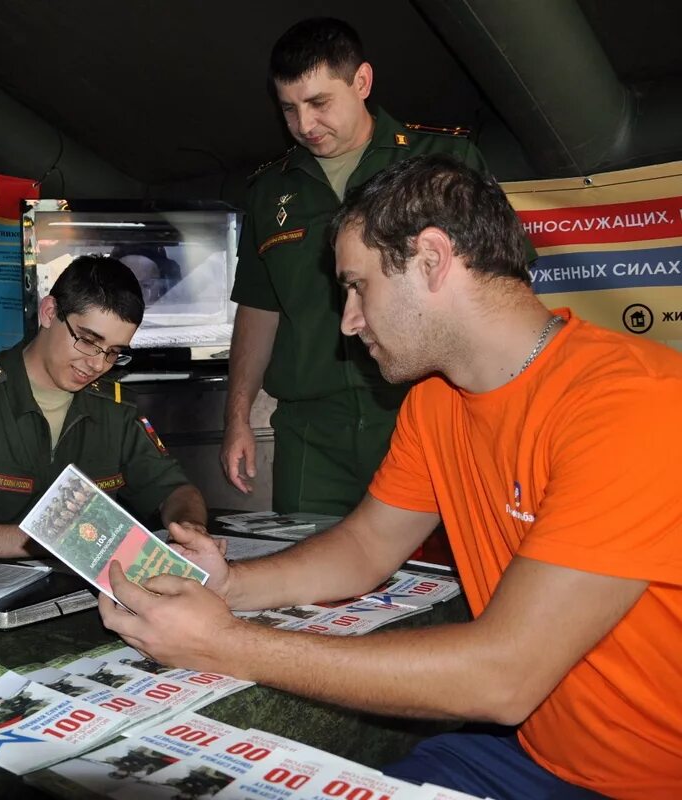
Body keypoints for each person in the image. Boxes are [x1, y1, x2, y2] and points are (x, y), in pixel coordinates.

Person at [100, 156, 682, 799]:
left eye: (357, 287)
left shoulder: (637, 404)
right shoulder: (437, 402)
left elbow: (504, 677)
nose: (348, 321)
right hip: (536, 757)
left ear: (432, 260)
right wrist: (230, 585)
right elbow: (365, 548)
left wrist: (224, 644)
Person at [222, 17, 494, 515]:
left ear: (362, 82)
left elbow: (501, 288)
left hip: (422, 408)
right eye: (289, 108)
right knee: (305, 572)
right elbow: (259, 311)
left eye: (319, 103)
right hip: (312, 428)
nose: (305, 125)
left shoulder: (445, 163)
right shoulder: (268, 192)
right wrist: (237, 416)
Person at [0, 254, 207, 558]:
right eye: (87, 340)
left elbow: (175, 491)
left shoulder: (118, 411)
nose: (97, 364)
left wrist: (191, 530)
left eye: (114, 352)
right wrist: (49, 541)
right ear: (48, 312)